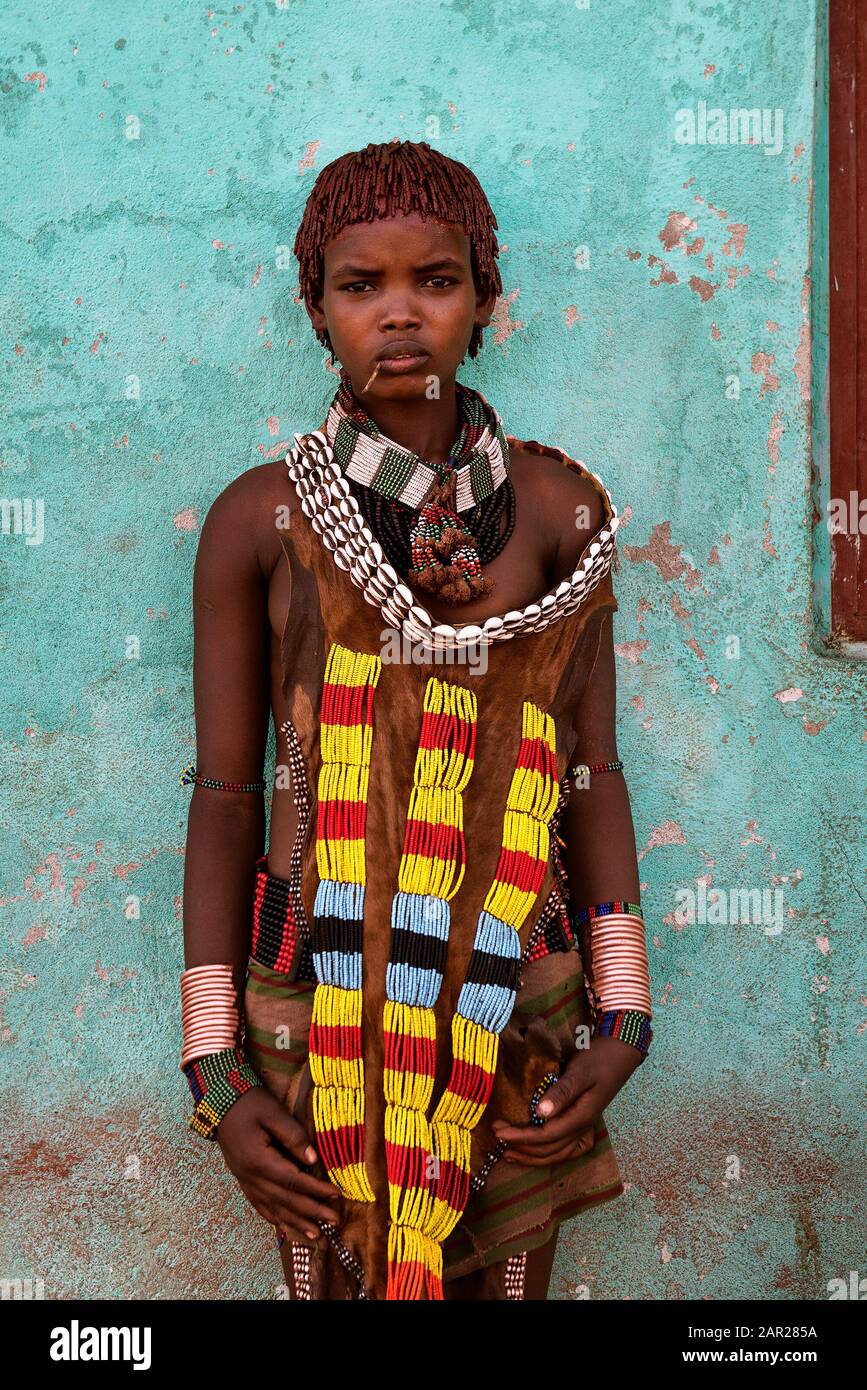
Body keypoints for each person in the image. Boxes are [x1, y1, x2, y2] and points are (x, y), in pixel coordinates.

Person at [179, 138, 653, 1301]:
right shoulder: (265, 520)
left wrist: (624, 1020)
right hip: (316, 1006)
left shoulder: (559, 510)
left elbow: (591, 775)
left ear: (487, 298)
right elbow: (226, 797)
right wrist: (215, 1075)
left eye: (435, 282)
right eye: (361, 286)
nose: (401, 316)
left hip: (514, 996)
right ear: (315, 307)